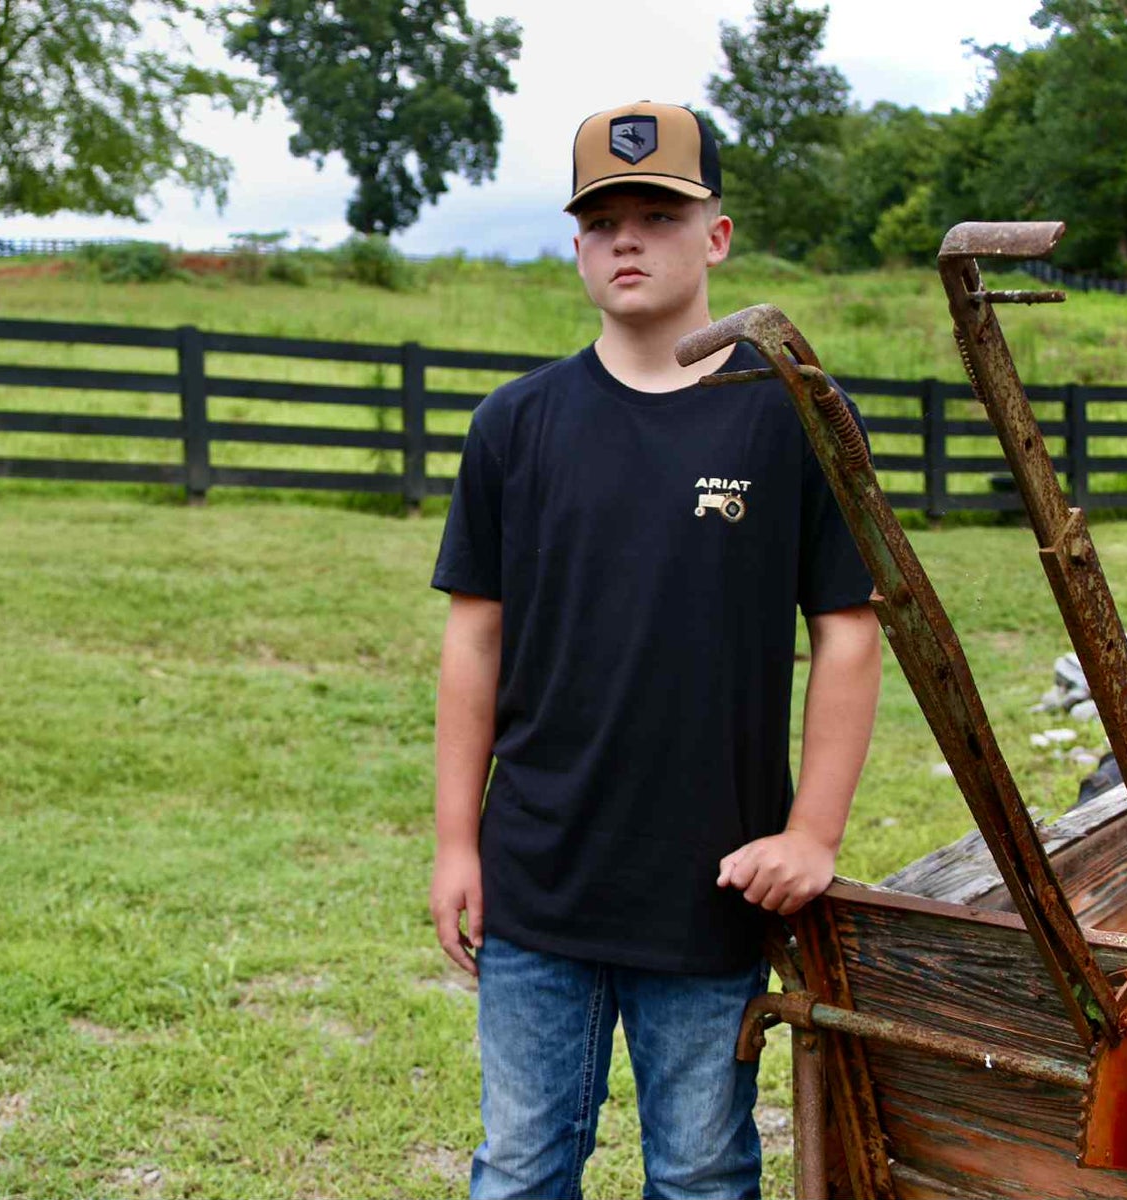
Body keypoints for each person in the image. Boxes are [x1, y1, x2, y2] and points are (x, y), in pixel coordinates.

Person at [427, 100, 883, 1200]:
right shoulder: (516, 426)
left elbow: (847, 633)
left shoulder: (793, 415)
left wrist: (813, 833)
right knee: (521, 1166)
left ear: (715, 236)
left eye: (659, 216)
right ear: (578, 246)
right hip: (539, 879)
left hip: (712, 886)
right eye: (602, 222)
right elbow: (473, 641)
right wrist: (454, 842)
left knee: (703, 1171)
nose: (626, 240)